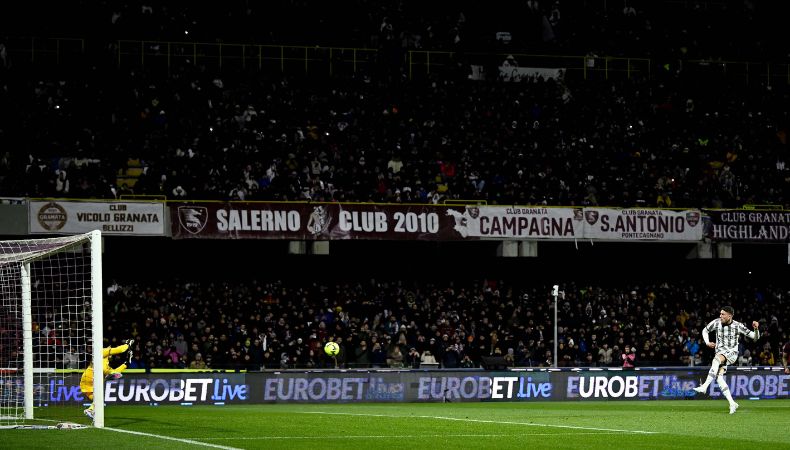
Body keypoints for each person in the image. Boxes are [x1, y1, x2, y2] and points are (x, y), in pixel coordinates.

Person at [693, 306, 759, 414]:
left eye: (723, 314)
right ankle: (732, 403)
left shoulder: (738, 326)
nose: (720, 316)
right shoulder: (716, 322)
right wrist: (707, 342)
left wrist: (756, 329)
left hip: (732, 353)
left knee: (716, 360)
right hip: (720, 352)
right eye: (720, 314)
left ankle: (704, 386)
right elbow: (705, 330)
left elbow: (755, 337)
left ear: (730, 316)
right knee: (719, 378)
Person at [80, 339, 134, 421]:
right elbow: (120, 350)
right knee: (99, 398)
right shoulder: (102, 351)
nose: (111, 351)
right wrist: (127, 344)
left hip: (88, 380)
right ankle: (91, 411)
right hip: (90, 378)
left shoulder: (105, 362)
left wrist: (126, 363)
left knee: (99, 400)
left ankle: (90, 410)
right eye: (110, 348)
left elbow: (115, 372)